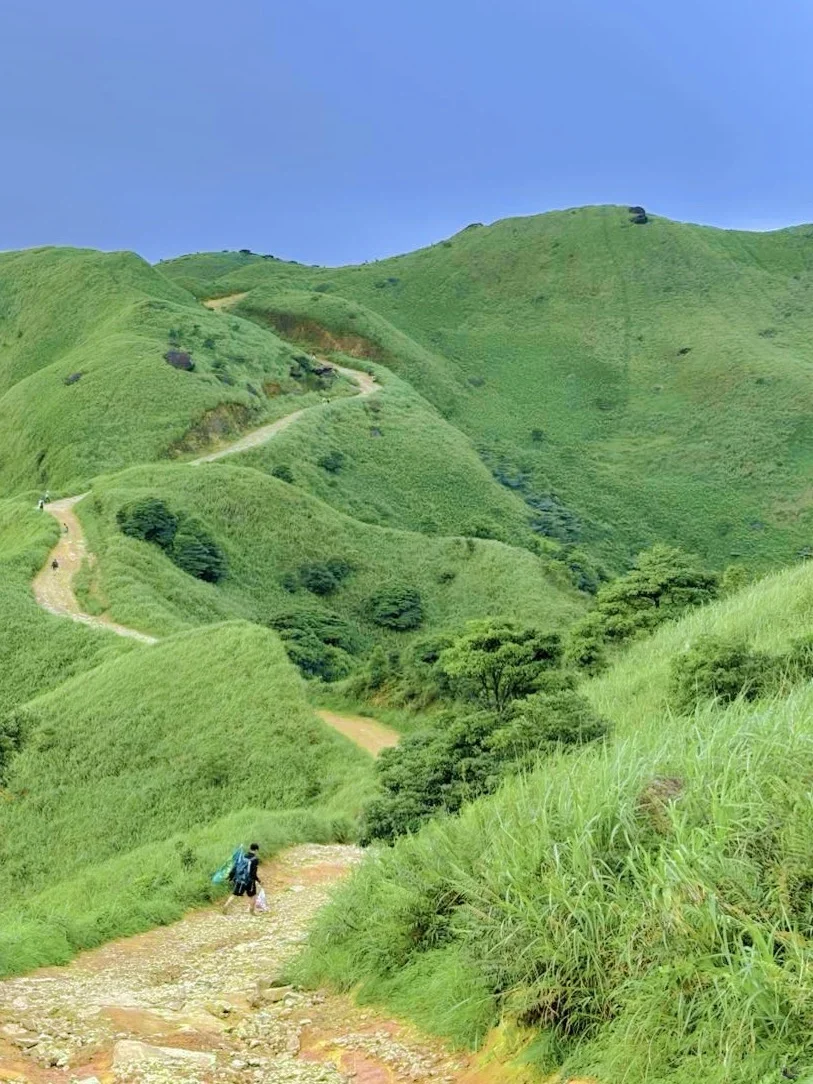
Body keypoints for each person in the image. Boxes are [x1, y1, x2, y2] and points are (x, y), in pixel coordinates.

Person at [222, 843, 262, 915]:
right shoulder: (255, 859)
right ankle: (252, 911)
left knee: (234, 894)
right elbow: (253, 874)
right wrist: (258, 880)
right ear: (256, 850)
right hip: (249, 881)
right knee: (253, 895)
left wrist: (231, 877)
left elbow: (236, 866)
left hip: (240, 879)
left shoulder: (243, 856)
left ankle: (226, 905)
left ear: (250, 848)